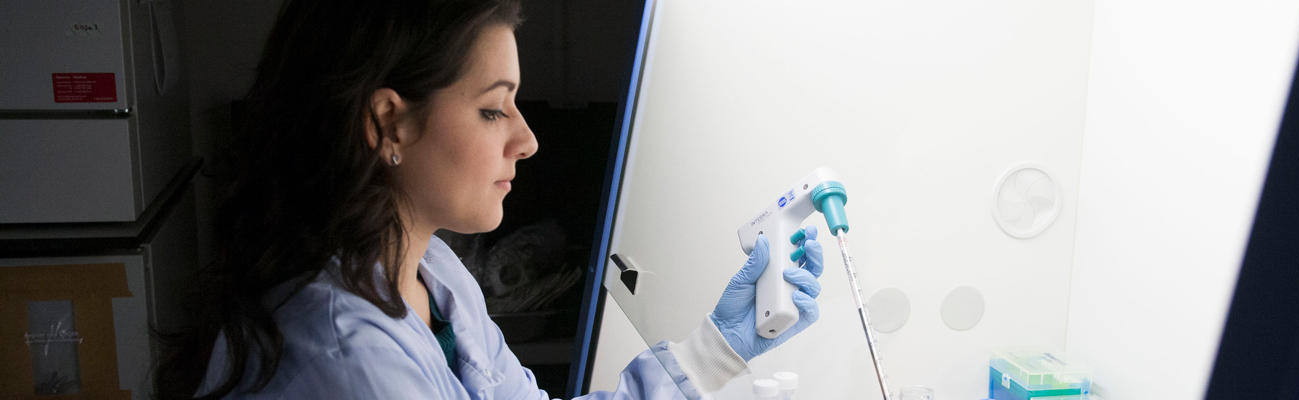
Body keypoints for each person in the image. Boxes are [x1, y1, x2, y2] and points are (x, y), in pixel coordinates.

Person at [154, 0, 825, 399]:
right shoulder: (347, 362)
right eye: (493, 110)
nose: (527, 141)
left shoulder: (434, 278)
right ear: (391, 123)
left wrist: (716, 349)